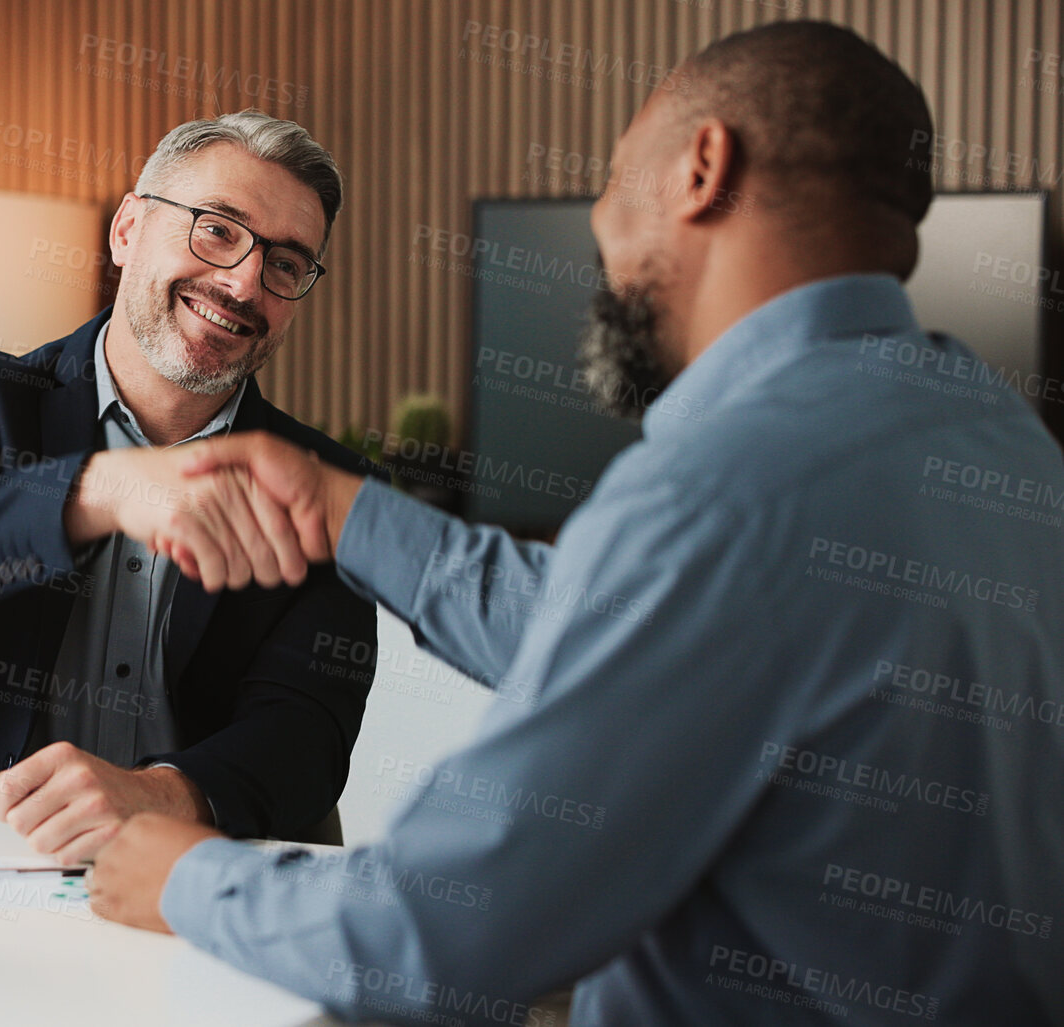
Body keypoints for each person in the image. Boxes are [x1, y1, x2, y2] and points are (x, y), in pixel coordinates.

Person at [86, 22, 1064, 1024]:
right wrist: (347, 512)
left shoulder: (725, 486)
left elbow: (440, 932)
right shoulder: (1004, 444)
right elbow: (626, 626)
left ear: (701, 166)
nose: (599, 224)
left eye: (612, 175)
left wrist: (185, 877)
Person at [0, 111, 380, 860]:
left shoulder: (326, 483)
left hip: (186, 871)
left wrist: (157, 795)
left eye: (284, 263)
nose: (244, 279)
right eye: (217, 229)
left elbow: (308, 731)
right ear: (126, 231)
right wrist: (100, 489)